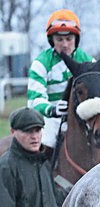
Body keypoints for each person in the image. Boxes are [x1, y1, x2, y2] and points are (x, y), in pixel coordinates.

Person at [26, 9, 93, 153]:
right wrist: (53, 110)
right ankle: (42, 174)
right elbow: (34, 100)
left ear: (76, 39)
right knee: (47, 141)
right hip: (52, 118)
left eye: (69, 39)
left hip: (82, 115)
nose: (65, 44)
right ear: (52, 41)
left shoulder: (88, 61)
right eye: (59, 39)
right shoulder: (40, 63)